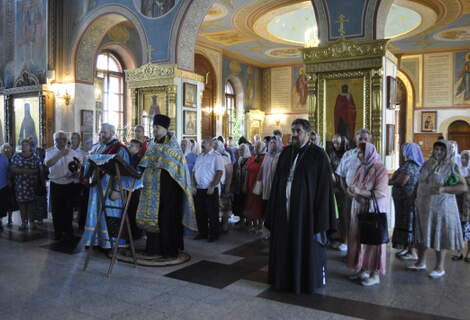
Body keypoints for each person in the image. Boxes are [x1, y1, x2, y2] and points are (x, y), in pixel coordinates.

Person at [265, 119, 336, 294]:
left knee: (303, 245)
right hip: (284, 209)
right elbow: (277, 183)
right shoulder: (286, 153)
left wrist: (320, 216)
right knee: (284, 244)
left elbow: (324, 189)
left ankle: (303, 281)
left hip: (306, 213)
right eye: (293, 130)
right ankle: (283, 280)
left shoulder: (318, 155)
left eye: (298, 131)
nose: (294, 134)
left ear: (308, 133)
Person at [136, 114, 196, 257]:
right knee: (153, 217)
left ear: (165, 128)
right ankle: (153, 248)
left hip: (169, 191)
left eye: (157, 127)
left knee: (166, 218)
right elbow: (146, 162)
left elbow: (177, 167)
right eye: (153, 127)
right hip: (152, 190)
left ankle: (168, 249)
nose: (154, 130)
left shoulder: (173, 145)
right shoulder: (153, 144)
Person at [409, 140, 467, 278]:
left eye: (442, 150)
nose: (438, 152)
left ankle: (439, 267)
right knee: (422, 234)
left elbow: (463, 187)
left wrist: (444, 188)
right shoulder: (427, 163)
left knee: (438, 235)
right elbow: (419, 181)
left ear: (447, 151)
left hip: (441, 207)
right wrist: (413, 196)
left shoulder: (452, 166)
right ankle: (420, 262)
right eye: (436, 149)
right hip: (423, 205)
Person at [81, 123, 132, 248]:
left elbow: (124, 172)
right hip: (96, 187)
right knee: (97, 213)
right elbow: (91, 162)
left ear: (112, 132)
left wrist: (117, 190)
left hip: (110, 188)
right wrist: (86, 176)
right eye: (101, 132)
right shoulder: (99, 147)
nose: (101, 134)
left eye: (104, 132)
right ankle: (97, 241)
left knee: (110, 214)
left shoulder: (120, 149)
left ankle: (111, 243)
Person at [347, 142, 388, 287]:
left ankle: (374, 274)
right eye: (358, 152)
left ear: (370, 153)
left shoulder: (380, 168)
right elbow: (353, 185)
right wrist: (352, 191)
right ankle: (362, 268)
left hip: (372, 210)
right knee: (358, 239)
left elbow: (380, 193)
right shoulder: (360, 167)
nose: (359, 155)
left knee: (373, 241)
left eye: (361, 152)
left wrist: (359, 192)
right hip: (359, 207)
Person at [334, 129, 372, 252]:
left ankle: (363, 252)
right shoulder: (348, 154)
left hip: (366, 196)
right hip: (349, 194)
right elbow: (340, 174)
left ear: (370, 140)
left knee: (364, 223)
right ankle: (349, 246)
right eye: (360, 139)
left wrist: (364, 193)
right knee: (348, 220)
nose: (362, 141)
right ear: (355, 140)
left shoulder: (373, 155)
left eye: (365, 139)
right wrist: (345, 191)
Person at [389, 143, 424, 260]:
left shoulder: (410, 165)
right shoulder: (409, 164)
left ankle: (412, 251)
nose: (403, 152)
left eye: (404, 150)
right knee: (404, 222)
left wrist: (389, 181)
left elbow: (401, 181)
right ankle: (406, 247)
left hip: (407, 199)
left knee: (409, 222)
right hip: (403, 200)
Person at [45, 131, 81, 241]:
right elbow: (48, 164)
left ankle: (69, 231)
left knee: (68, 209)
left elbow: (78, 165)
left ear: (66, 140)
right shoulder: (49, 151)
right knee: (57, 209)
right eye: (59, 139)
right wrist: (60, 154)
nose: (62, 141)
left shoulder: (72, 152)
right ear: (55, 140)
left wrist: (77, 173)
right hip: (56, 183)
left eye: (64, 139)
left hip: (69, 183)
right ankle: (58, 232)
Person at [192, 138, 224, 242]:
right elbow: (193, 172)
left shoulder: (216, 156)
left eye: (204, 142)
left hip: (210, 189)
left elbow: (219, 172)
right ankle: (203, 233)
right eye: (202, 143)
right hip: (199, 188)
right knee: (200, 212)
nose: (202, 144)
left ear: (210, 144)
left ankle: (214, 234)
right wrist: (193, 185)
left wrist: (213, 185)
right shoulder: (200, 156)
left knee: (212, 213)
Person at [10, 139, 41, 231]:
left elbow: (38, 170)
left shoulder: (35, 157)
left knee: (31, 204)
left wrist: (22, 170)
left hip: (31, 185)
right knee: (22, 204)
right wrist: (27, 171)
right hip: (20, 185)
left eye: (26, 145)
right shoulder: (16, 156)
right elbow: (12, 169)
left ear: (30, 146)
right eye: (22, 145)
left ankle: (31, 221)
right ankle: (24, 222)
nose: (24, 147)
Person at [327, 135, 350, 249]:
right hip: (334, 187)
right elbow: (330, 168)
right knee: (338, 215)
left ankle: (346, 239)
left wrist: (344, 187)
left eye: (338, 143)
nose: (336, 145)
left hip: (345, 188)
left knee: (345, 214)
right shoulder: (331, 154)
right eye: (334, 143)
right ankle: (340, 236)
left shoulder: (348, 155)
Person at [453, 150, 470, 262]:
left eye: (466, 158)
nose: (463, 160)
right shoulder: (459, 171)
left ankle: (468, 254)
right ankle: (459, 252)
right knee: (459, 230)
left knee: (469, 230)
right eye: (462, 157)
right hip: (459, 203)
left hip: (468, 206)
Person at [244, 141, 265, 232]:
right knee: (251, 204)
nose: (256, 148)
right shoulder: (251, 158)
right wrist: (245, 184)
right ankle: (254, 224)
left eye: (258, 147)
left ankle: (260, 226)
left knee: (259, 205)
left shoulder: (265, 158)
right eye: (255, 146)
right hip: (250, 183)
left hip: (259, 184)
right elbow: (247, 172)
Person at [213, 138, 233, 233]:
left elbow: (229, 172)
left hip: (223, 184)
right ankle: (216, 225)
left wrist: (227, 186)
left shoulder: (225, 157)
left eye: (215, 146)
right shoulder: (211, 156)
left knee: (224, 205)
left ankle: (224, 225)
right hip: (214, 185)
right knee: (215, 207)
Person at [70, 132, 89, 232]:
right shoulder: (67, 152)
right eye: (72, 138)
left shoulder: (83, 153)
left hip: (79, 182)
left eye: (76, 139)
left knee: (80, 203)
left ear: (79, 141)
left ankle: (81, 224)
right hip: (67, 182)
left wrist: (81, 175)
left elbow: (85, 168)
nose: (74, 140)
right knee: (69, 204)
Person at [126, 139, 144, 240]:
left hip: (135, 188)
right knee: (128, 211)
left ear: (137, 148)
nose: (129, 147)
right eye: (129, 145)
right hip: (127, 187)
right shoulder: (128, 157)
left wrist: (129, 169)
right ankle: (129, 233)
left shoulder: (139, 159)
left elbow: (139, 173)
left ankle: (136, 234)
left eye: (131, 146)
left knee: (134, 211)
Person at [231, 144, 251, 224]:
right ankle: (241, 220)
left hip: (245, 185)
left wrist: (245, 185)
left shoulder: (249, 159)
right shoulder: (239, 159)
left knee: (245, 203)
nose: (240, 151)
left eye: (242, 150)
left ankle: (247, 221)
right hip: (238, 185)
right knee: (239, 203)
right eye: (240, 150)